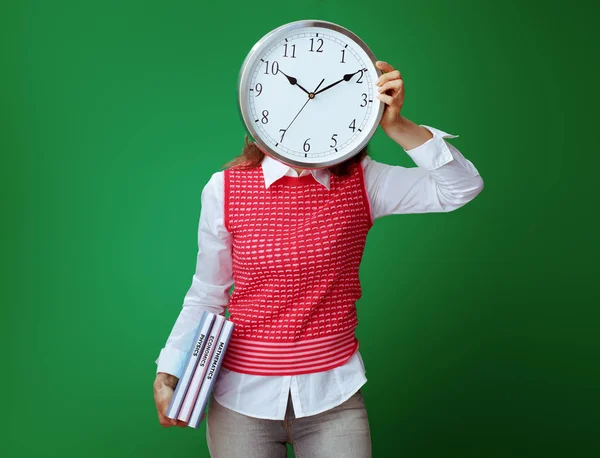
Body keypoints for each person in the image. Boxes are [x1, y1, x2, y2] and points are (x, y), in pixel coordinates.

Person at [153, 60, 484, 457]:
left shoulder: (364, 180)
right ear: (258, 114)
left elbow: (460, 188)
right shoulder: (224, 190)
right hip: (240, 401)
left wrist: (398, 126)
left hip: (333, 400)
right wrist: (170, 368)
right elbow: (207, 294)